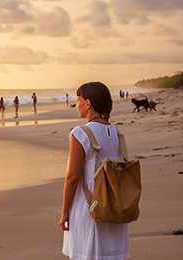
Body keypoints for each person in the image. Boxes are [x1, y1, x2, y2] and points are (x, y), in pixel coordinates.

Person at [60, 81, 129, 260]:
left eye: (79, 99)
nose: (77, 105)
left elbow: (72, 178)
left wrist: (65, 211)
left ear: (88, 103)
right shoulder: (116, 132)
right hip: (113, 208)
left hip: (89, 209)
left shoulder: (80, 133)